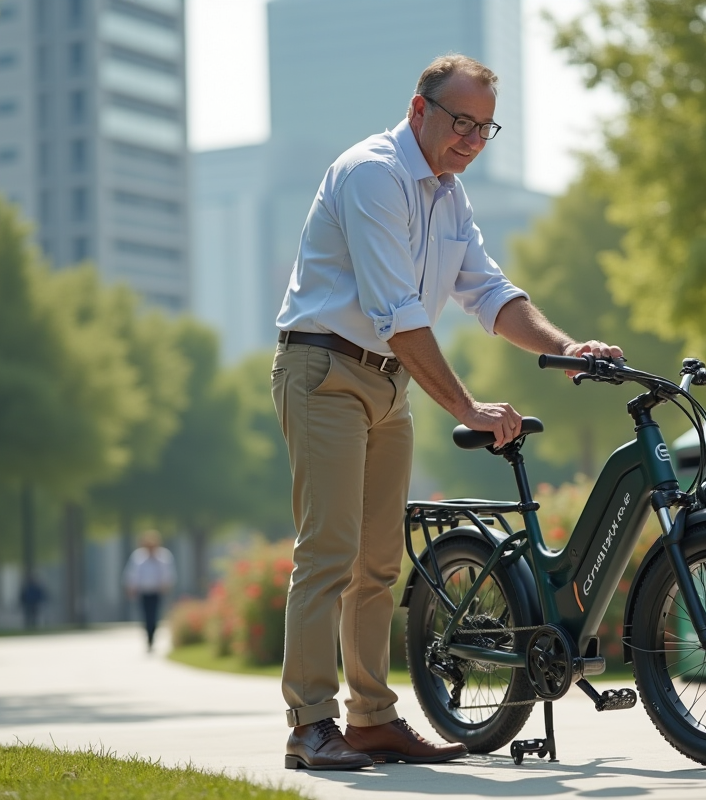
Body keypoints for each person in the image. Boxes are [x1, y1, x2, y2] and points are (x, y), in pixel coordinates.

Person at [271, 53, 622, 772]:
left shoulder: (448, 194)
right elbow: (396, 310)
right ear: (419, 110)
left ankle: (369, 719)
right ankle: (309, 725)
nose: (471, 138)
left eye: (485, 128)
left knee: (377, 562)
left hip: (389, 382)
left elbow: (488, 292)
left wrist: (564, 348)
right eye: (462, 120)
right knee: (329, 553)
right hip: (324, 370)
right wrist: (465, 405)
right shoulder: (374, 173)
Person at [123, 530, 176, 652]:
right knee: (146, 615)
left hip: (157, 591)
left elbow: (168, 573)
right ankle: (149, 636)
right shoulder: (138, 557)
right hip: (144, 591)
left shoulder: (163, 556)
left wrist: (166, 586)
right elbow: (132, 574)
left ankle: (152, 635)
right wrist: (131, 588)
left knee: (155, 614)